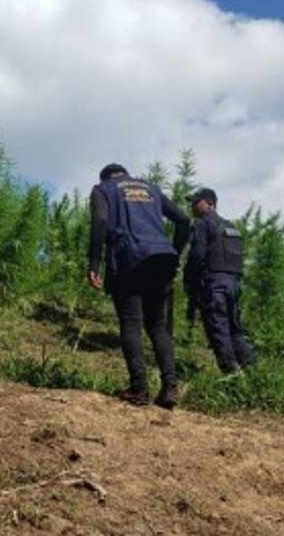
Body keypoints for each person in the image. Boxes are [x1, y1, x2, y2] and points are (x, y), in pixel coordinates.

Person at [88, 163, 190, 409]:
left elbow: (100, 222)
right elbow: (184, 220)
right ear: (125, 174)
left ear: (105, 177)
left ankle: (139, 389)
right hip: (161, 257)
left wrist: (93, 264)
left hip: (129, 257)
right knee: (158, 327)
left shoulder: (103, 189)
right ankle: (170, 389)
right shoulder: (151, 188)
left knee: (131, 322)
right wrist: (174, 252)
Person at [185, 187, 256, 374]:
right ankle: (252, 369)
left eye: (196, 201)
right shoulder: (231, 226)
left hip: (214, 283)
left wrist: (189, 280)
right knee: (234, 328)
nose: (192, 205)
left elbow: (197, 254)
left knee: (218, 328)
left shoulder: (202, 223)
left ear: (210, 204)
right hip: (234, 284)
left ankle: (231, 373)